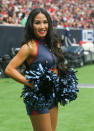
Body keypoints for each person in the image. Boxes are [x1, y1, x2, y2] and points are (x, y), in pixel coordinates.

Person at [5, 8, 78, 131]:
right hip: (38, 98)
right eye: (37, 23)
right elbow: (9, 69)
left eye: (45, 22)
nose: (42, 26)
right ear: (31, 25)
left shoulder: (51, 44)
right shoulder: (29, 46)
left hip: (52, 96)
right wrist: (29, 83)